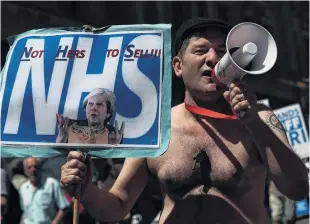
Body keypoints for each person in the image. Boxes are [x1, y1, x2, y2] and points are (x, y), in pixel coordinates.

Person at [60, 17, 309, 224]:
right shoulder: (156, 127)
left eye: (223, 51)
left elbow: (297, 188)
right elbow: (118, 206)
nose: (213, 59)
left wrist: (254, 123)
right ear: (178, 66)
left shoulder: (261, 118)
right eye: (200, 50)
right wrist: (86, 191)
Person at [56, 88, 125, 144]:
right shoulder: (70, 128)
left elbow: (116, 161)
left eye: (99, 104)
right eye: (90, 104)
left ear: (108, 113)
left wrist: (113, 147)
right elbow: (59, 158)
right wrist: (60, 144)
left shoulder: (114, 135)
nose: (93, 108)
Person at [19, 157, 70, 224]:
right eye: (29, 167)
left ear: (40, 168)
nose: (33, 169)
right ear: (25, 171)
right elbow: (25, 212)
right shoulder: (23, 188)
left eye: (35, 166)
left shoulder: (51, 183)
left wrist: (55, 222)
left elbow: (64, 207)